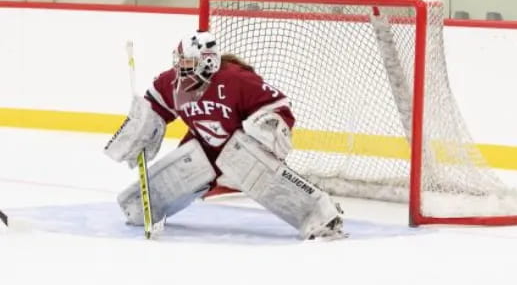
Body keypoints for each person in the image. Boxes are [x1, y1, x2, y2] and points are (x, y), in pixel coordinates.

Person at [104, 31, 344, 240]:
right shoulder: (173, 82)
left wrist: (267, 130)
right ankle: (141, 207)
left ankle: (319, 213)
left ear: (207, 62)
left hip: (240, 149)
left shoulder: (235, 80)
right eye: (180, 61)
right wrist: (140, 129)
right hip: (203, 150)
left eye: (187, 62)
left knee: (243, 158)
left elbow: (279, 105)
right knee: (187, 163)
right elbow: (153, 108)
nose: (180, 68)